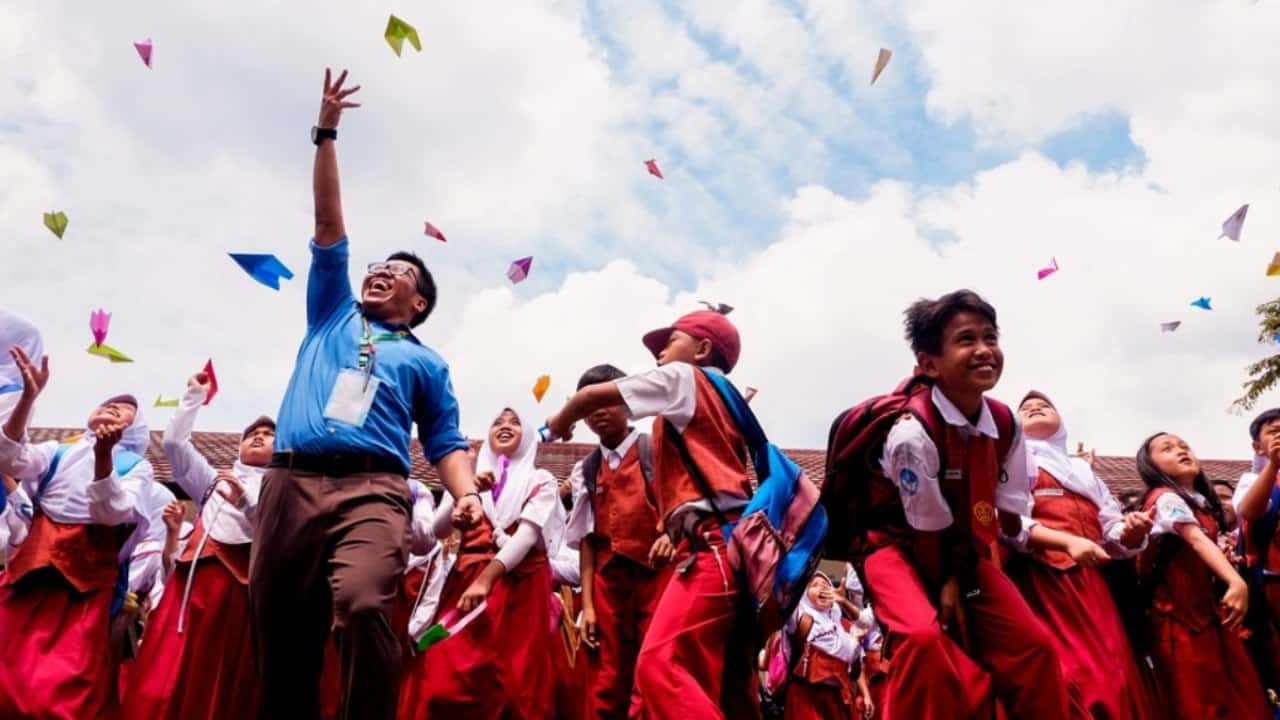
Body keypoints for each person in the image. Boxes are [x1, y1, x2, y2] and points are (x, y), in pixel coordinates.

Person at [249, 67, 482, 720]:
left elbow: (444, 440)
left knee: (360, 604)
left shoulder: (426, 362)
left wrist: (464, 495)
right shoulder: (330, 312)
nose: (381, 271)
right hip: (289, 486)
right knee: (280, 634)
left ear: (421, 301)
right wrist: (326, 133)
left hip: (371, 490)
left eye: (399, 271)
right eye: (378, 265)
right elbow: (328, 224)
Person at [854, 290, 1070, 719]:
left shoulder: (1006, 424)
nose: (984, 351)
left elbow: (1004, 518)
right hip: (895, 550)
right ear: (929, 364)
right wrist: (952, 584)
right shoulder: (911, 434)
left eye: (990, 337)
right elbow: (927, 532)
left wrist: (979, 585)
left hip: (964, 558)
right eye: (966, 340)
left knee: (1034, 647)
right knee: (922, 639)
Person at [544, 309, 759, 720]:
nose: (660, 350)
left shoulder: (685, 379)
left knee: (662, 666)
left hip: (707, 546)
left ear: (702, 349)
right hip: (720, 547)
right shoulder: (724, 398)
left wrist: (557, 422)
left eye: (671, 341)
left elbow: (590, 397)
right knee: (718, 679)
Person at [0, 348, 153, 719]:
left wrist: (104, 458)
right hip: (29, 575)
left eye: (125, 409)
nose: (115, 407)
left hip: (83, 590)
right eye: (109, 403)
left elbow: (113, 514)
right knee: (7, 669)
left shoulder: (137, 466)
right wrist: (27, 399)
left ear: (134, 430)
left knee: (66, 687)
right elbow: (10, 458)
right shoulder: (58, 451)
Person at [122, 372, 274, 719]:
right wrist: (193, 395)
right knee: (166, 672)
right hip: (189, 590)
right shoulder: (211, 482)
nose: (258, 437)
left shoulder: (286, 490)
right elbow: (174, 444)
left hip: (240, 596)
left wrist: (246, 504)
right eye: (252, 433)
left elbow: (280, 534)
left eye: (267, 435)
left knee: (223, 680)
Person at [409, 405, 563, 719]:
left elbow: (525, 538)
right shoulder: (468, 478)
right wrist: (465, 492)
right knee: (444, 670)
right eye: (498, 421)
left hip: (520, 592)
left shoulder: (541, 480)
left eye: (515, 422)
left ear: (528, 436)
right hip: (465, 587)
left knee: (515, 684)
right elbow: (438, 530)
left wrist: (486, 580)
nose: (505, 426)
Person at [1011, 391, 1158, 719]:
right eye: (1025, 409)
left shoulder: (1083, 471)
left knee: (1116, 673)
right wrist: (1064, 542)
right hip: (1045, 580)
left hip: (1094, 584)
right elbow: (1009, 522)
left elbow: (1111, 530)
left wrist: (1132, 531)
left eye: (1045, 405)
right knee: (1073, 674)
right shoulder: (1013, 459)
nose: (1035, 407)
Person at [1134, 432, 1270, 719]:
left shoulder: (1199, 503)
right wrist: (1235, 581)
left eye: (1185, 446)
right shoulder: (1164, 498)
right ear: (1150, 465)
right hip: (1177, 621)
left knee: (1239, 698)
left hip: (1207, 618)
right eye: (1167, 449)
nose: (1181, 451)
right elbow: (1194, 538)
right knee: (1196, 703)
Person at [563, 363, 671, 720]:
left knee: (655, 664)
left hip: (657, 577)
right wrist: (588, 606)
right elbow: (588, 541)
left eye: (605, 402)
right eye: (587, 408)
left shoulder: (656, 448)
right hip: (609, 585)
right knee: (606, 674)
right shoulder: (587, 469)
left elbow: (682, 504)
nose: (597, 414)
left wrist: (671, 534)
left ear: (627, 402)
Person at [1233, 408, 1280, 696]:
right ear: (1257, 447)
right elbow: (1250, 512)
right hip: (1272, 584)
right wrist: (1273, 465)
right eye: (1274, 431)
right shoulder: (1251, 480)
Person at [781, 573, 866, 720]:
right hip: (805, 695)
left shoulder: (841, 628)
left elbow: (854, 669)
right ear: (804, 595)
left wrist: (844, 601)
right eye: (814, 585)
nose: (822, 587)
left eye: (826, 585)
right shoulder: (800, 617)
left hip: (834, 697)